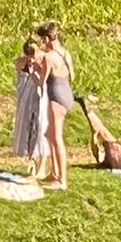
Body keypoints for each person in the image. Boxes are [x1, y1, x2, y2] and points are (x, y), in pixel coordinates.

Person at [33, 21, 74, 191]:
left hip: (56, 97)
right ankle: (54, 172)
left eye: (43, 40)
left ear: (47, 39)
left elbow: (41, 81)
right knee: (49, 134)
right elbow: (73, 75)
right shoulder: (65, 53)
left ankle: (62, 180)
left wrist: (35, 69)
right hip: (66, 93)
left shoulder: (49, 57)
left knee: (57, 138)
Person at [12, 39, 49, 177]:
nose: (32, 59)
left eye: (34, 56)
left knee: (40, 127)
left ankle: (41, 161)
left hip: (41, 97)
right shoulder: (23, 62)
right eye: (29, 56)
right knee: (28, 127)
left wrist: (39, 66)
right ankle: (32, 158)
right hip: (28, 98)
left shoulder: (44, 59)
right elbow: (19, 67)